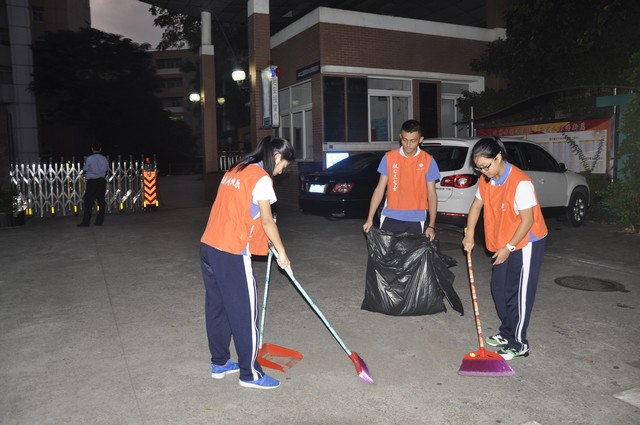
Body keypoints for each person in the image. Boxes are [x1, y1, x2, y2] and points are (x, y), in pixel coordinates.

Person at [199, 135, 294, 390]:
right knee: (244, 312)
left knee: (218, 307)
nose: (282, 171)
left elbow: (239, 210)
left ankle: (220, 362)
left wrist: (266, 242)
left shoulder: (237, 169)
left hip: (209, 246)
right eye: (283, 165)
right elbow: (266, 220)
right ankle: (250, 374)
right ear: (276, 156)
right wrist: (282, 253)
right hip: (231, 251)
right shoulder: (261, 178)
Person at [462, 137, 547, 360]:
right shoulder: (487, 180)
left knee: (517, 293)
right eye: (478, 168)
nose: (483, 172)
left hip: (526, 241)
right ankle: (507, 332)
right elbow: (476, 206)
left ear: (498, 158)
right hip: (505, 239)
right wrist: (469, 234)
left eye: (485, 166)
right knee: (499, 288)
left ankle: (519, 344)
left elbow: (527, 220)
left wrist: (509, 247)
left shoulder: (520, 182)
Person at [363, 119, 440, 238]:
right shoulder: (389, 158)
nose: (408, 144)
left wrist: (431, 225)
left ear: (420, 140)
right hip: (390, 216)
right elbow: (379, 189)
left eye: (413, 141)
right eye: (405, 140)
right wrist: (370, 218)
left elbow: (432, 194)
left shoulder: (428, 161)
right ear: (400, 137)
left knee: (412, 251)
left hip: (416, 218)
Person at [78, 144, 109, 227]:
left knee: (88, 202)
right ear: (100, 149)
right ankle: (99, 221)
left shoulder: (90, 158)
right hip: (101, 181)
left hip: (92, 182)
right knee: (101, 201)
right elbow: (106, 170)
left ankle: (86, 221)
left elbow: (85, 169)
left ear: (92, 149)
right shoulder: (104, 158)